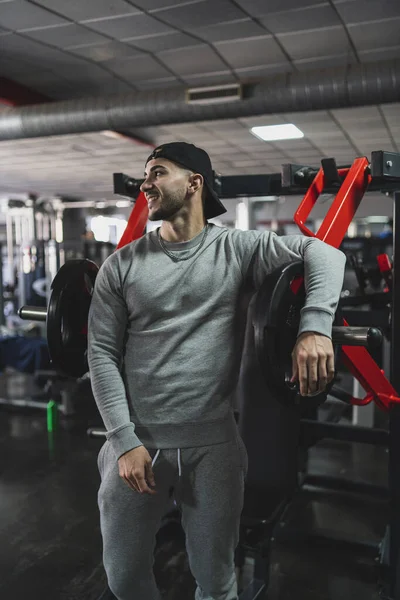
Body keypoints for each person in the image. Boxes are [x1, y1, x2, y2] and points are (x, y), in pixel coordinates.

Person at [88, 142, 346, 600]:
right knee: (124, 579)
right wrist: (123, 441)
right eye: (145, 175)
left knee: (216, 579)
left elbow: (325, 255)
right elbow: (101, 354)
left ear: (194, 183)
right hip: (135, 445)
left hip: (214, 447)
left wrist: (315, 328)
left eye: (157, 172)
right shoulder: (120, 266)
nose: (145, 183)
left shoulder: (239, 249)